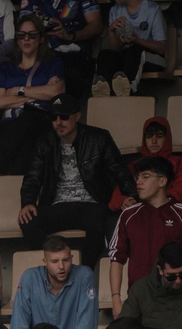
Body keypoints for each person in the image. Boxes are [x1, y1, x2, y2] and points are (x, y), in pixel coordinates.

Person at [18, 94, 134, 268]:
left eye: (64, 116)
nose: (58, 122)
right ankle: (54, 267)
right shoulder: (44, 143)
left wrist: (131, 197)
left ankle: (84, 273)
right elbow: (32, 177)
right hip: (57, 205)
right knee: (27, 220)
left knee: (100, 222)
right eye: (54, 117)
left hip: (92, 204)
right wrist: (27, 202)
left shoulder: (98, 138)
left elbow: (120, 172)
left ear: (77, 116)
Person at [109, 157, 182, 310]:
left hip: (176, 300)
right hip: (138, 299)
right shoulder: (128, 215)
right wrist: (116, 299)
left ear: (162, 181)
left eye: (145, 176)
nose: (139, 182)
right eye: (137, 177)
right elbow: (116, 259)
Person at [0, 13, 65, 175]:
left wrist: (18, 91)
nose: (26, 39)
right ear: (17, 39)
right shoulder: (5, 68)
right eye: (21, 35)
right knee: (24, 144)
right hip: (10, 124)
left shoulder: (52, 64)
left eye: (32, 35)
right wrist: (39, 92)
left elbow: (56, 91)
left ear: (41, 38)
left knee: (29, 118)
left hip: (42, 121)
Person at [8, 235, 99, 329]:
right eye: (55, 261)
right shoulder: (30, 278)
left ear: (72, 258)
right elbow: (19, 323)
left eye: (66, 260)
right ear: (45, 261)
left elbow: (85, 325)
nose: (61, 266)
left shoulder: (84, 276)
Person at [19, 0, 103, 98]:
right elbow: (22, 29)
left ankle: (67, 109)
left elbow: (97, 25)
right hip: (41, 53)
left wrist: (70, 35)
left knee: (68, 71)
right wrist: (37, 26)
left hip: (74, 54)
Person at [93, 0, 165, 96]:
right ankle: (104, 91)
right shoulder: (115, 10)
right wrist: (111, 31)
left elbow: (162, 48)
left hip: (153, 59)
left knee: (135, 51)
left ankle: (129, 89)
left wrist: (136, 40)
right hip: (126, 57)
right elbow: (115, 49)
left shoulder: (152, 9)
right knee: (106, 54)